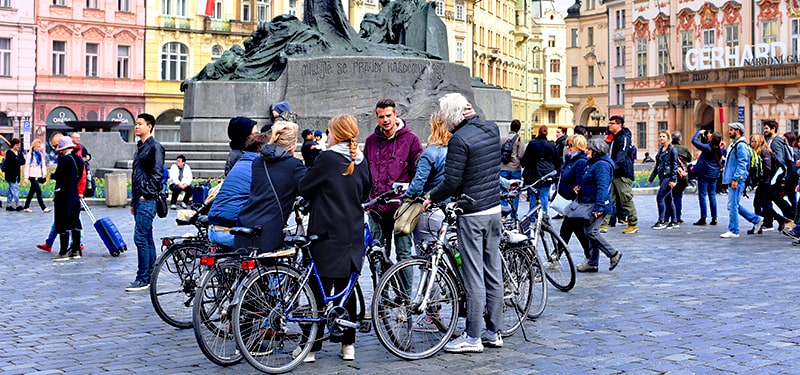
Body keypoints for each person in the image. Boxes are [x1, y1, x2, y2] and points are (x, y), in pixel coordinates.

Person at [422, 93, 504, 353]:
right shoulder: (491, 129)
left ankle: (473, 337)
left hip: (472, 213)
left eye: (445, 115)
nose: (443, 120)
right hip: (494, 210)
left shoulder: (459, 140)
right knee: (493, 271)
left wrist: (430, 198)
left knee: (473, 276)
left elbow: (452, 182)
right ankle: (494, 332)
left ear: (453, 116)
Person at [297, 114, 371, 362]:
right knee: (346, 289)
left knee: (318, 289)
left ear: (336, 133)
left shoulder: (328, 159)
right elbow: (366, 190)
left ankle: (311, 347)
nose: (326, 136)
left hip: (326, 231)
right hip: (352, 232)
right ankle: (348, 344)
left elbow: (305, 186)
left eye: (329, 131)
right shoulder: (360, 159)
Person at [363, 98, 423, 267]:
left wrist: (412, 197)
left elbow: (419, 172)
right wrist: (367, 200)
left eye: (388, 115)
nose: (386, 120)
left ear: (395, 114)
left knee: (404, 255)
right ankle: (381, 294)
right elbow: (365, 174)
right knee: (379, 255)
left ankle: (405, 294)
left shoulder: (411, 140)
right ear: (377, 117)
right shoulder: (370, 141)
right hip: (377, 209)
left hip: (401, 208)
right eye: (381, 116)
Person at [235, 122, 306, 252]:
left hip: (246, 221)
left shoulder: (257, 162)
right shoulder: (294, 165)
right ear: (292, 145)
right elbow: (307, 189)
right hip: (269, 230)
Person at [207, 133, 270, 248]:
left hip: (213, 228)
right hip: (231, 232)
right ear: (263, 149)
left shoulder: (240, 162)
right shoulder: (258, 166)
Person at [126, 113, 165, 292]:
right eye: (135, 124)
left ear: (149, 126)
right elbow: (138, 175)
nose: (136, 127)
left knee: (140, 237)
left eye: (139, 124)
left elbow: (158, 174)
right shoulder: (141, 147)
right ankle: (149, 275)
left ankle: (143, 278)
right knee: (146, 236)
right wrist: (134, 200)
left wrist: (145, 195)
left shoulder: (155, 147)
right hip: (139, 199)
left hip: (147, 199)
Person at [575, 138, 623, 273]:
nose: (586, 151)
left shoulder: (601, 165)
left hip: (598, 204)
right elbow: (592, 182)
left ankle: (613, 254)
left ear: (596, 151)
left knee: (592, 232)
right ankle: (592, 262)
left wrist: (599, 207)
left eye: (589, 149)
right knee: (588, 232)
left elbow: (602, 187)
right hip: (589, 201)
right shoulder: (593, 163)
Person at [720, 122, 763, 238]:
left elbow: (742, 163)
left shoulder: (741, 145)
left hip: (737, 180)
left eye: (731, 130)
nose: (729, 132)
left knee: (733, 205)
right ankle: (756, 219)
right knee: (733, 205)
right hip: (733, 179)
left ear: (737, 131)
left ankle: (734, 230)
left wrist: (736, 179)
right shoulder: (735, 144)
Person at [602, 115, 639, 234]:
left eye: (612, 123)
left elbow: (620, 157)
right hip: (614, 172)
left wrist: (612, 166)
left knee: (625, 198)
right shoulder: (615, 137)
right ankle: (603, 224)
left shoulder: (624, 138)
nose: (609, 125)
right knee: (608, 198)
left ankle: (633, 223)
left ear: (619, 125)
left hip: (622, 173)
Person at [50, 136, 85, 261]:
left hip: (63, 194)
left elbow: (60, 176)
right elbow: (79, 176)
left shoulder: (64, 160)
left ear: (63, 149)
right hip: (74, 194)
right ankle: (76, 250)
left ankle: (63, 251)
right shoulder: (79, 160)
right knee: (75, 221)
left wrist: (52, 175)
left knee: (61, 222)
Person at [557, 135, 590, 262]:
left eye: (571, 145)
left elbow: (579, 183)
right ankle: (590, 255)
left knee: (566, 230)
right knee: (576, 230)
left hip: (573, 202)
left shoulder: (580, 161)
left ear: (578, 146)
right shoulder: (569, 160)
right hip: (567, 200)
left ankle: (556, 256)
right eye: (567, 145)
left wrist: (573, 194)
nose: (568, 148)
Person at [405, 112, 450, 200]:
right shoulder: (457, 150)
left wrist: (406, 196)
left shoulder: (430, 153)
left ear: (434, 127)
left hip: (432, 203)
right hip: (453, 203)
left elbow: (419, 181)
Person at [762, 120, 794, 230]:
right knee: (776, 198)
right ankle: (790, 219)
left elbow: (781, 161)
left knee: (767, 198)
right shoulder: (771, 140)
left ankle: (787, 219)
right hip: (775, 174)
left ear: (773, 129)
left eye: (766, 128)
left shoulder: (776, 142)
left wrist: (771, 152)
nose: (764, 130)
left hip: (778, 174)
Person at [521, 125, 557, 214]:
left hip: (533, 174)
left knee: (533, 194)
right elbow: (557, 160)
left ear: (538, 132)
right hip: (547, 174)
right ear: (546, 133)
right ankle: (545, 216)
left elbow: (526, 159)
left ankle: (532, 215)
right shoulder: (551, 145)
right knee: (544, 195)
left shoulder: (532, 144)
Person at [691, 129, 722, 226]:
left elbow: (694, 141)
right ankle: (714, 218)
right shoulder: (719, 149)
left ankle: (703, 218)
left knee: (702, 195)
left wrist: (699, 133)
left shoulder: (708, 148)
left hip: (704, 173)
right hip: (714, 174)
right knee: (712, 195)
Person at [648, 131, 679, 230]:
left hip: (668, 177)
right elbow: (658, 165)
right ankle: (674, 221)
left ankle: (661, 221)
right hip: (662, 177)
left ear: (668, 138)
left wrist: (673, 180)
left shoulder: (672, 149)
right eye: (660, 136)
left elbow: (675, 166)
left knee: (660, 198)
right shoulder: (661, 149)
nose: (661, 138)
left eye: (663, 136)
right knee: (669, 200)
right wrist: (652, 177)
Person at [749, 133, 774, 235]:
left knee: (762, 203)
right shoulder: (757, 152)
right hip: (763, 182)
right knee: (762, 203)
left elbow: (768, 167)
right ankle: (759, 224)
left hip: (765, 182)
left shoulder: (764, 152)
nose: (751, 144)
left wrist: (760, 174)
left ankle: (782, 220)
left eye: (753, 141)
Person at [499, 119, 525, 211]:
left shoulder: (502, 139)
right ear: (519, 128)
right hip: (515, 169)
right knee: (514, 192)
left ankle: (504, 213)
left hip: (503, 168)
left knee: (503, 192)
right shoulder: (519, 140)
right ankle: (514, 214)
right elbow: (521, 155)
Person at [668, 131, 692, 224]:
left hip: (670, 175)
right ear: (680, 139)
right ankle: (677, 217)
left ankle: (667, 217)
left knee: (669, 197)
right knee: (678, 197)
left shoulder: (669, 148)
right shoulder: (684, 149)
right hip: (682, 176)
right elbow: (690, 159)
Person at [23, 139, 50, 213]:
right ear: (34, 146)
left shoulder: (40, 154)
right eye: (37, 147)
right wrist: (26, 177)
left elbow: (43, 164)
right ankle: (43, 207)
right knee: (38, 191)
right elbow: (27, 166)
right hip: (32, 175)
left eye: (39, 147)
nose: (39, 148)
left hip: (38, 174)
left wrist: (44, 173)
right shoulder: (30, 154)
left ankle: (26, 206)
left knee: (32, 191)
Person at [4, 138, 25, 211]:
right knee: (15, 189)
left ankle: (8, 205)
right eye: (17, 145)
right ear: (13, 145)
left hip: (17, 173)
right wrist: (17, 160)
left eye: (19, 145)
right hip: (10, 174)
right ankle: (18, 204)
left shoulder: (19, 152)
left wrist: (17, 160)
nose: (18, 146)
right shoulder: (9, 152)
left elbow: (23, 161)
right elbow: (13, 161)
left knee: (11, 190)